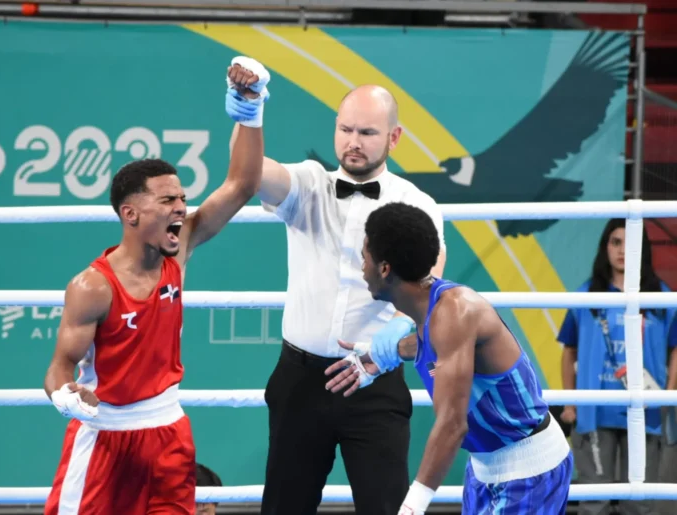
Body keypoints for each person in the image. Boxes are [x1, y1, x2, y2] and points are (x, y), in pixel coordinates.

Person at [41, 57, 271, 515]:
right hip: (105, 436)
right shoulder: (93, 287)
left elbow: (242, 185)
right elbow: (59, 366)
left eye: (182, 197)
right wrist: (66, 397)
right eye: (167, 200)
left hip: (168, 433)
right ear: (130, 214)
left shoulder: (178, 251)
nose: (181, 208)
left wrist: (251, 108)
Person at [228, 57, 447, 515]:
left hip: (375, 379)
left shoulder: (416, 204)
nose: (353, 142)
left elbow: (431, 284)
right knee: (284, 508)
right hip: (299, 380)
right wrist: (249, 110)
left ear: (394, 138)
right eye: (345, 129)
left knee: (385, 508)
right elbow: (248, 176)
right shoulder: (309, 183)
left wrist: (391, 340)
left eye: (367, 132)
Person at [325, 202, 574, 514]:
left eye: (365, 257)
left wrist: (412, 506)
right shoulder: (432, 310)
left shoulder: (456, 312)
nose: (362, 268)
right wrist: (381, 355)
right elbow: (437, 346)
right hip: (484, 468)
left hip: (528, 471)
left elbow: (453, 425)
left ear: (385, 268)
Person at [557, 218, 677, 515]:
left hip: (645, 411)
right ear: (605, 248)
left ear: (642, 250)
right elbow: (568, 351)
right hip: (594, 412)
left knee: (639, 503)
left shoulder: (661, 296)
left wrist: (668, 394)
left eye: (630, 243)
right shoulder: (585, 295)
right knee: (594, 503)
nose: (623, 250)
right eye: (616, 242)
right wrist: (570, 402)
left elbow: (676, 348)